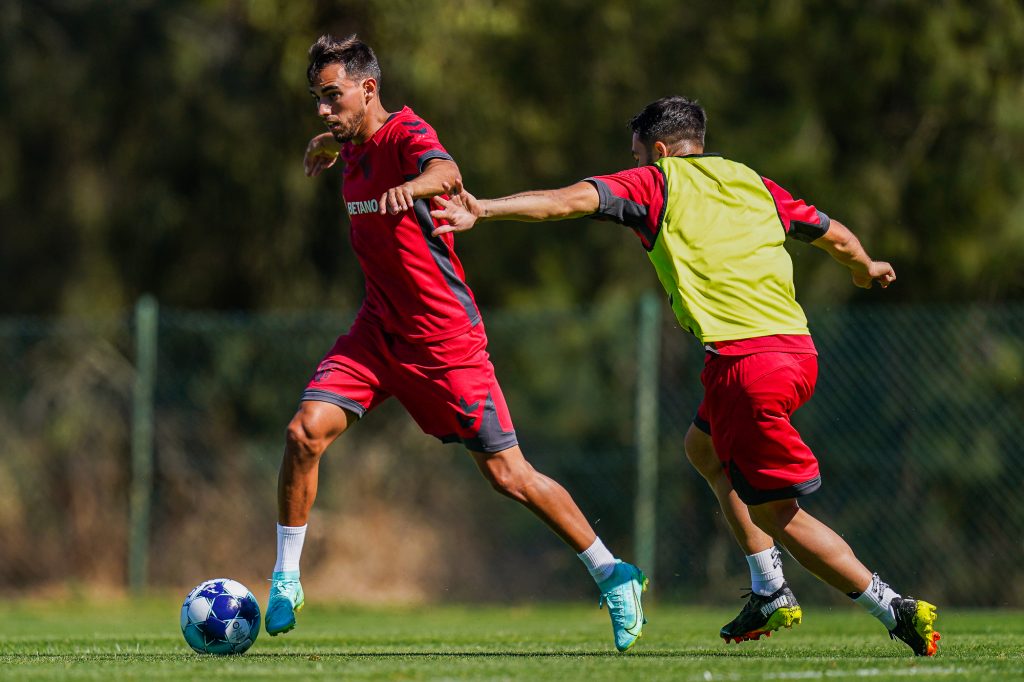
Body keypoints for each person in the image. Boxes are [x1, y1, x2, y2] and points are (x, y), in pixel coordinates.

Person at [430, 95, 941, 657]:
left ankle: (891, 605)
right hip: (796, 353)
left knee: (781, 515)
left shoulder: (657, 182)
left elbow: (567, 200)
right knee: (703, 449)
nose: (636, 163)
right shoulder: (752, 182)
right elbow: (834, 234)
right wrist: (864, 266)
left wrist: (487, 210)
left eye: (638, 154)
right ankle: (768, 585)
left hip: (746, 367)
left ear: (660, 150)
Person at [265, 33, 648, 653]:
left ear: (369, 90)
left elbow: (447, 169)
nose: (322, 110)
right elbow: (346, 146)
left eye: (331, 98)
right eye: (316, 99)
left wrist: (414, 189)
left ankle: (614, 574)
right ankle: (286, 578)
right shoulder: (350, 142)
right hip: (377, 331)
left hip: (446, 340)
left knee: (508, 475)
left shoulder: (407, 132)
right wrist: (326, 144)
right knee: (303, 432)